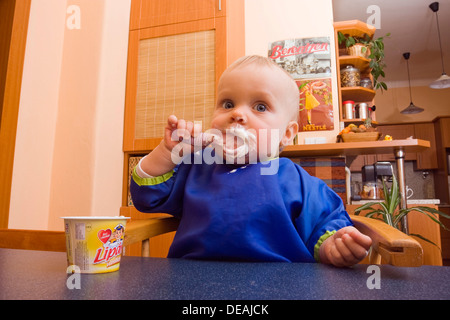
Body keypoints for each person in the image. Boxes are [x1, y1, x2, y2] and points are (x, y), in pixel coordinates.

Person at [130, 55, 372, 267]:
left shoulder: (293, 179)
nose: (237, 114)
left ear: (286, 134)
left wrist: (332, 245)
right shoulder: (196, 166)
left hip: (280, 282)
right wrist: (166, 152)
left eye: (260, 106)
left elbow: (327, 220)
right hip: (190, 277)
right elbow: (147, 198)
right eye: (227, 104)